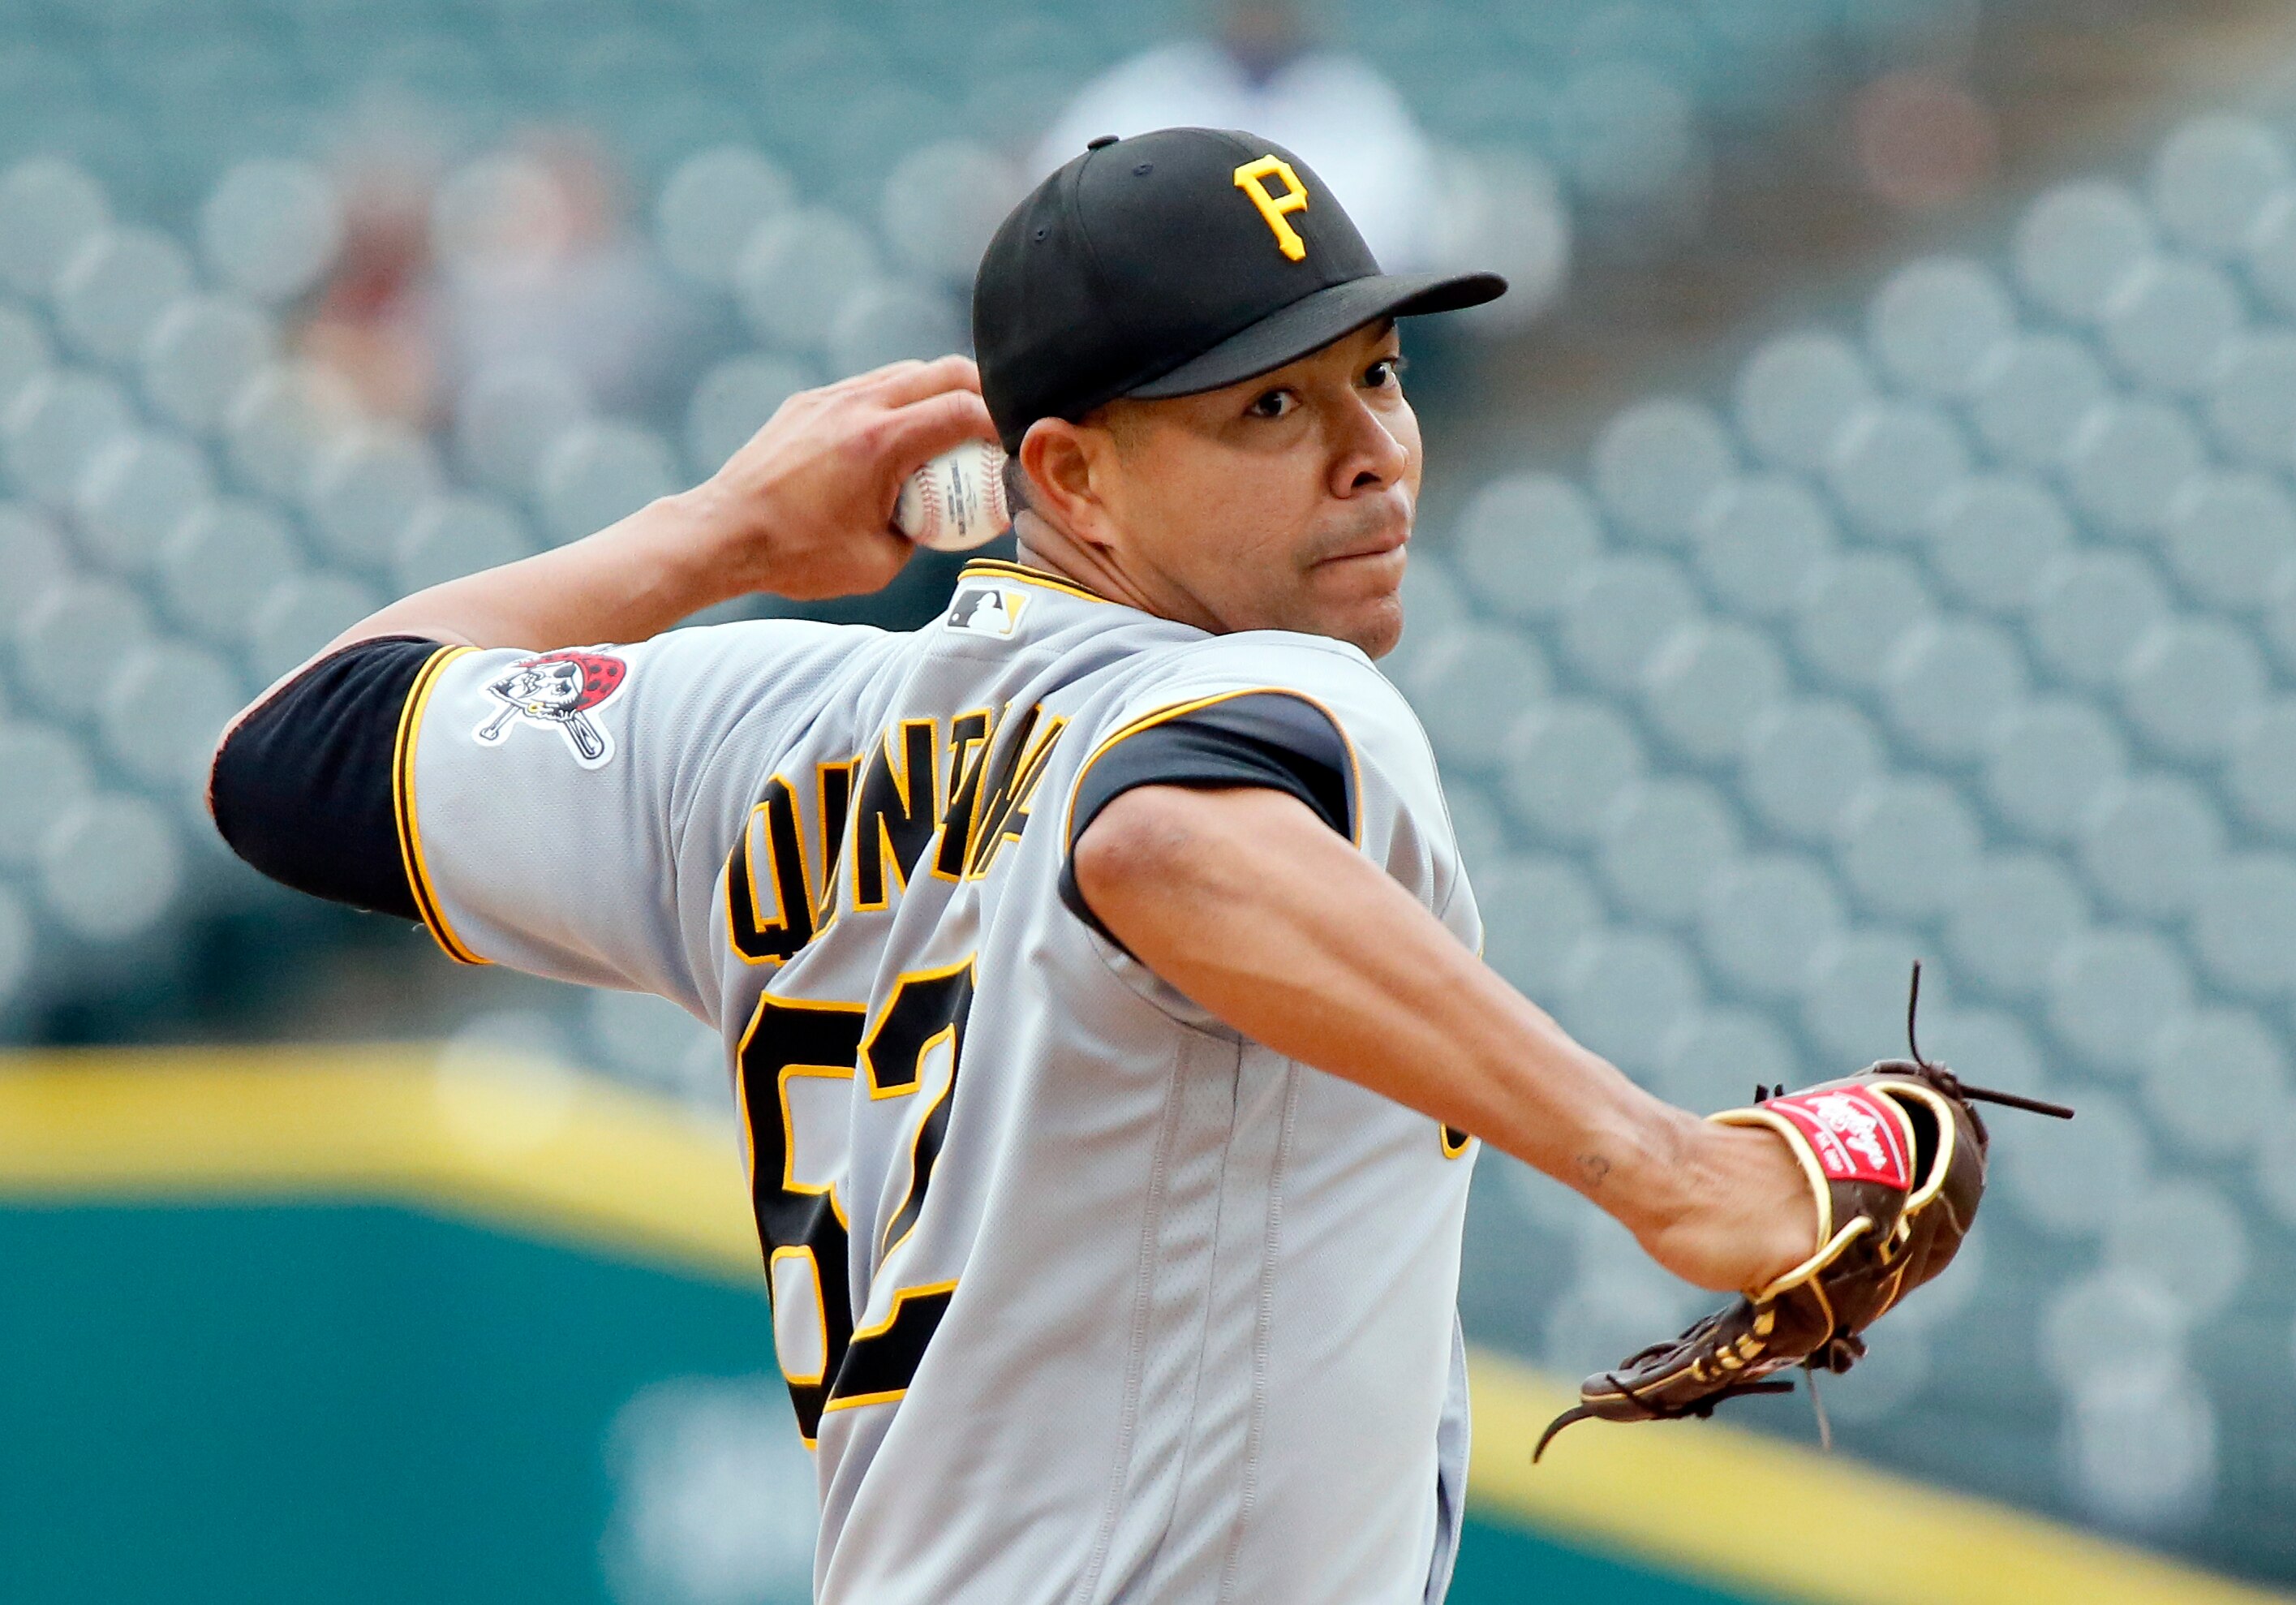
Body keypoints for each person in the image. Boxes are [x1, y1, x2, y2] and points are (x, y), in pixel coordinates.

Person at [209, 129, 1812, 1603]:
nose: (1370, 451)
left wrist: (718, 534)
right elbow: (1159, 836)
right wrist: (1667, 1165)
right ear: (1070, 475)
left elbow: (298, 751)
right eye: (1268, 406)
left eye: (1377, 374)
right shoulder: (1269, 685)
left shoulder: (756, 730)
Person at [1033, 0, 1441, 269]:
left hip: (1323, 301)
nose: (1258, 17)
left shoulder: (1353, 97)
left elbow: (1398, 229)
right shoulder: (1148, 87)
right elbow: (1067, 203)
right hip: (1168, 304)